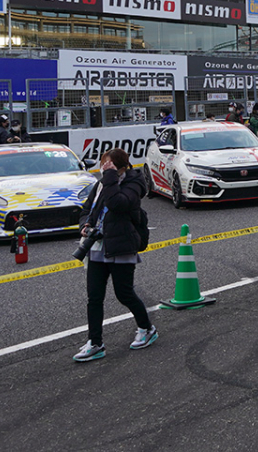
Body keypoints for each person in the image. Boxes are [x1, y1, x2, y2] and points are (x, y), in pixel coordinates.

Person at [73, 148, 156, 362]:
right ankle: (95, 342)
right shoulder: (101, 184)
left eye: (108, 165)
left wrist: (110, 178)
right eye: (103, 165)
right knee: (94, 297)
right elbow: (86, 210)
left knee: (124, 293)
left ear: (120, 166)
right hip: (98, 247)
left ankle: (146, 328)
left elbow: (118, 203)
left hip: (122, 245)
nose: (103, 168)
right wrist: (85, 225)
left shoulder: (135, 183)